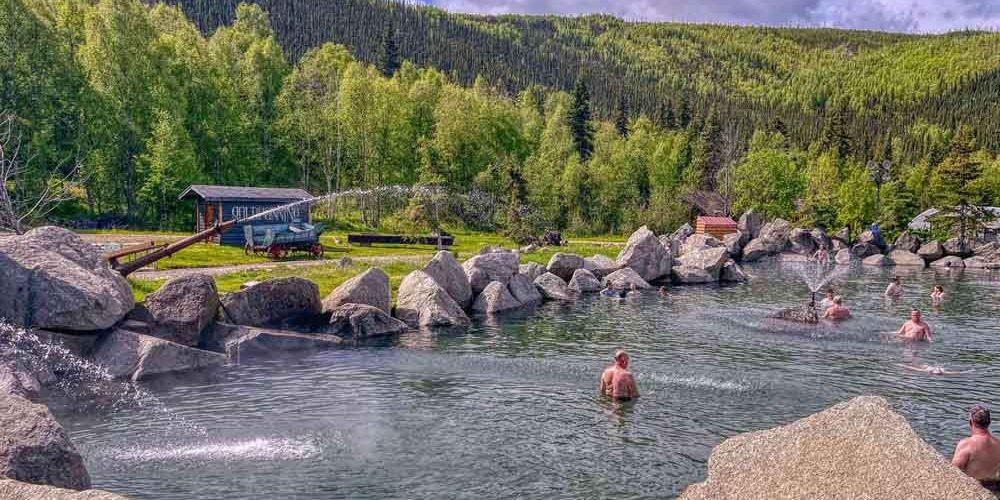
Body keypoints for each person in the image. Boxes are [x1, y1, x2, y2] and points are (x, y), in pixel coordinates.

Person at [952, 405, 1000, 485]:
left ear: (970, 422)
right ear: (989, 422)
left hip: (976, 486)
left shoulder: (966, 444)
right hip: (995, 486)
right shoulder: (998, 443)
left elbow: (953, 471)